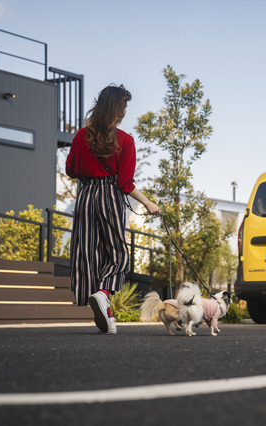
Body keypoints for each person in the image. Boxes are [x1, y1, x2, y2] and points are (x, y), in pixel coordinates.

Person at [66, 84, 160, 334]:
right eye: (125, 104)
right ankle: (104, 292)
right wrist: (148, 203)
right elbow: (125, 184)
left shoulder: (80, 136)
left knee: (89, 253)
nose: (127, 109)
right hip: (109, 196)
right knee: (117, 253)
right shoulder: (125, 141)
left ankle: (105, 313)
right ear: (117, 108)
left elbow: (71, 170)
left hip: (85, 196)